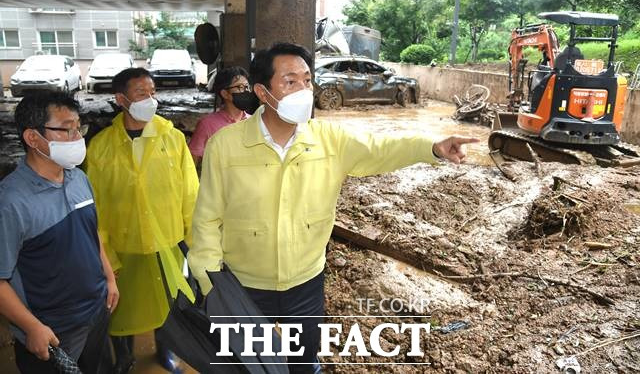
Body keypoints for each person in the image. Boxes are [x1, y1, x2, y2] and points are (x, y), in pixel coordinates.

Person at [188, 42, 478, 373]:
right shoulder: (226, 145)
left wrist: (431, 148)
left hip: (306, 283)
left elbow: (379, 148)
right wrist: (211, 285)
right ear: (261, 92)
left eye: (307, 80)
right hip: (245, 284)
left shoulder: (329, 139)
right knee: (246, 364)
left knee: (304, 360)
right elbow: (207, 219)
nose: (304, 90)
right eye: (290, 81)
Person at [85, 68, 199, 374]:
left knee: (169, 303)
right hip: (125, 243)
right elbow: (95, 204)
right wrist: (105, 252)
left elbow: (190, 191)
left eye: (153, 92)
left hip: (166, 240)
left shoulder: (172, 139)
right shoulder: (101, 146)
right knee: (123, 307)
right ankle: (124, 356)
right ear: (121, 99)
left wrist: (193, 238)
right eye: (141, 93)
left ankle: (167, 351)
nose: (150, 99)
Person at [0, 90, 118, 374]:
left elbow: (91, 234)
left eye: (79, 128)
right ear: (32, 138)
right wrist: (32, 327)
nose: (77, 138)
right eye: (66, 130)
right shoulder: (11, 201)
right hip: (51, 330)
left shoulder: (79, 178)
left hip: (96, 310)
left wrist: (110, 278)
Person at [188, 66, 251, 168]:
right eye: (240, 87)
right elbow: (191, 164)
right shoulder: (207, 125)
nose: (246, 91)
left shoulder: (254, 122)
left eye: (247, 87)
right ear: (225, 93)